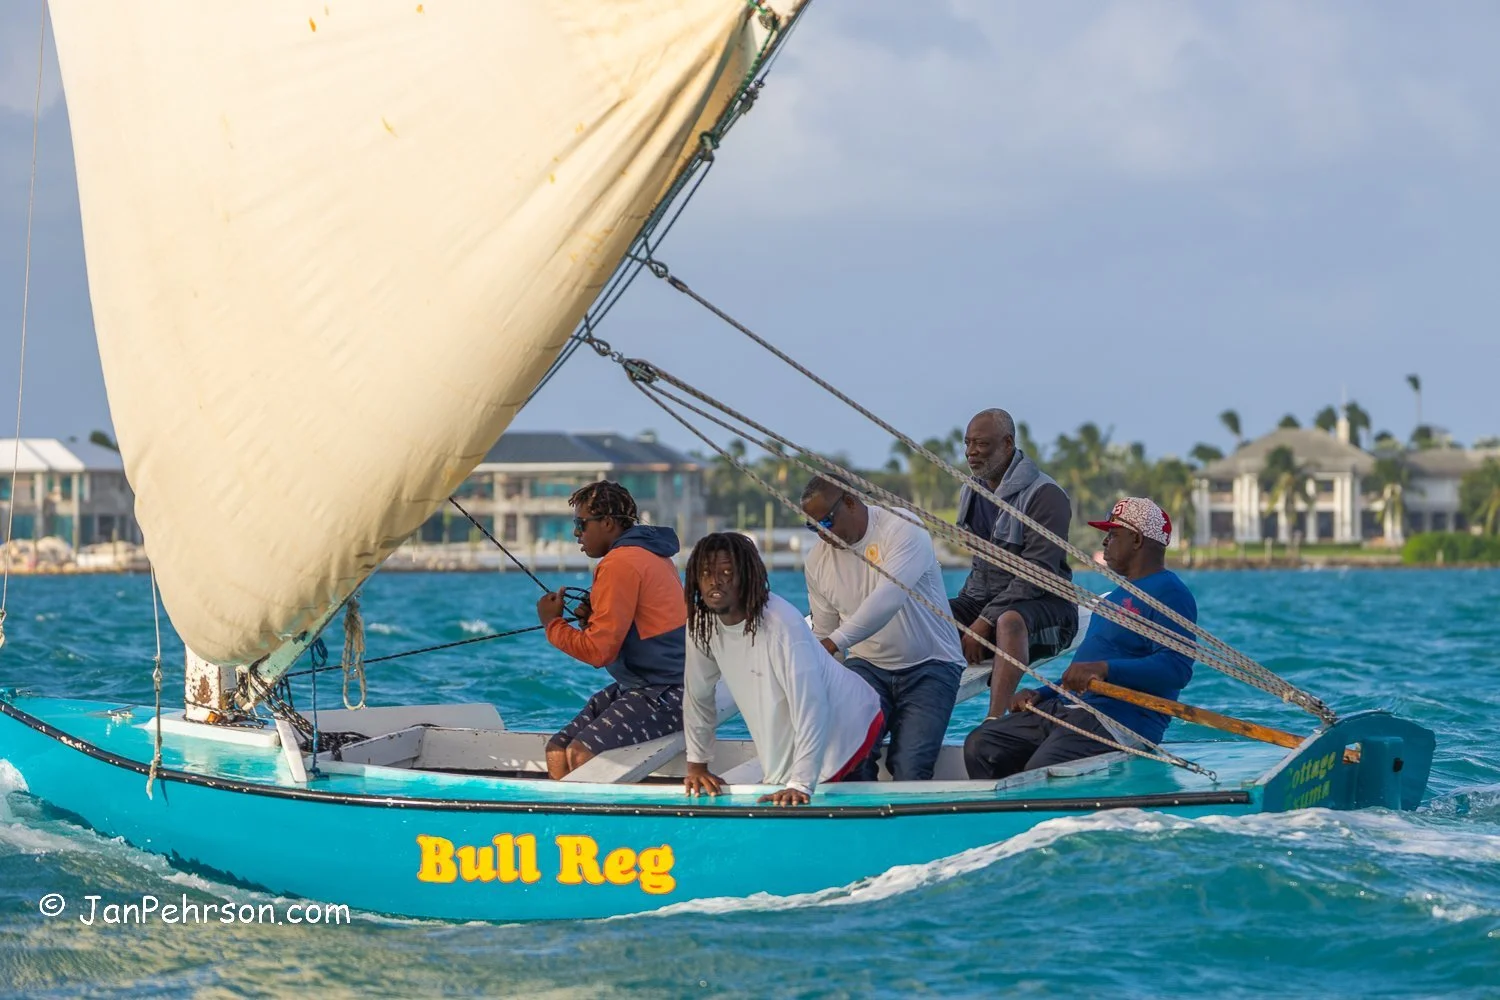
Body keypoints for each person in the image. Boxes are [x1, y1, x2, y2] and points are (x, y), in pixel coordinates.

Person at [964, 497, 1197, 779]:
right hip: (1068, 708)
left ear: (1136, 540)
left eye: (1112, 534)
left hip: (1116, 720)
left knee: (1041, 769)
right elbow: (1082, 671)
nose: (1105, 543)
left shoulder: (1169, 592)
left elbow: (1176, 670)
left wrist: (1105, 670)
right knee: (982, 743)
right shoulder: (1117, 595)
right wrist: (1042, 694)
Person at [681, 532, 883, 806]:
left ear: (747, 577)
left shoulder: (781, 624)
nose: (714, 581)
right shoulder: (701, 624)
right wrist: (697, 764)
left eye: (726, 572)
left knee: (839, 818)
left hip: (848, 724)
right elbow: (698, 696)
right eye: (705, 573)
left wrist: (799, 783)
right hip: (805, 724)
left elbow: (811, 705)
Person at [800, 475, 965, 781]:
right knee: (849, 758)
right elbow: (823, 633)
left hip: (932, 666)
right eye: (813, 528)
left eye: (826, 523)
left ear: (850, 501)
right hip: (868, 667)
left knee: (910, 767)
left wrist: (834, 643)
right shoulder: (816, 563)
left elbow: (888, 600)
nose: (823, 535)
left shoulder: (903, 526)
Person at [536, 480, 686, 779]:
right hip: (643, 685)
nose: (577, 533)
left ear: (606, 523)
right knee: (557, 749)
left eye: (581, 524)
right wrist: (588, 621)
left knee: (580, 753)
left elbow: (598, 652)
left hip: (668, 692)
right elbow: (633, 629)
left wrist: (552, 623)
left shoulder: (620, 562)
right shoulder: (650, 552)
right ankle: (563, 824)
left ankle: (597, 825)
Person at [950, 407, 1079, 719]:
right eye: (967, 444)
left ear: (1007, 444)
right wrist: (972, 614)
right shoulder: (973, 490)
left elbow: (1037, 574)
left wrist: (985, 620)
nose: (970, 453)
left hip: (1046, 606)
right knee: (928, 615)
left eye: (980, 444)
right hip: (984, 601)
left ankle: (994, 721)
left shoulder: (1045, 495)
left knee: (1008, 621)